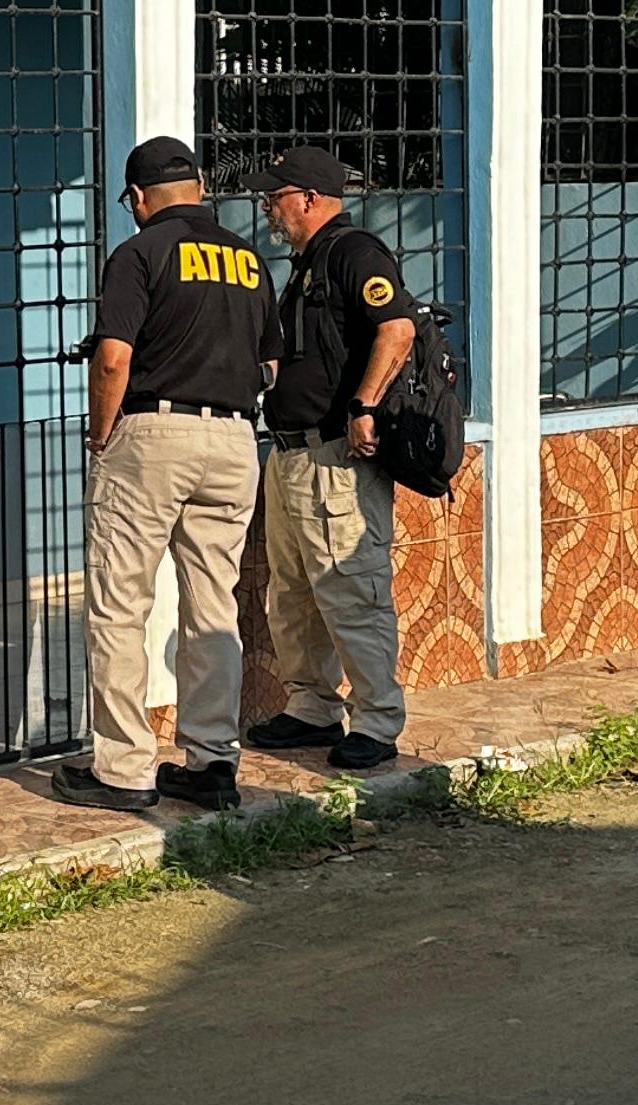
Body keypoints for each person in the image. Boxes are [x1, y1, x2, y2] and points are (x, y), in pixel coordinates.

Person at [56, 135, 273, 814]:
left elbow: (113, 358)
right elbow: (270, 363)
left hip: (154, 433)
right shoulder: (247, 258)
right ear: (201, 188)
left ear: (137, 197)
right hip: (235, 438)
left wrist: (101, 434)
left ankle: (125, 769)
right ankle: (212, 763)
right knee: (213, 606)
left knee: (120, 604)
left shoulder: (139, 253)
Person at [244, 147, 414, 772]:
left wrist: (364, 404)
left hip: (334, 459)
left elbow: (397, 329)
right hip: (291, 456)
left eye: (276, 196)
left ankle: (377, 719)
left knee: (351, 591)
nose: (268, 207)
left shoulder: (354, 253)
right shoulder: (306, 265)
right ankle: (312, 707)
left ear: (310, 198)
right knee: (293, 595)